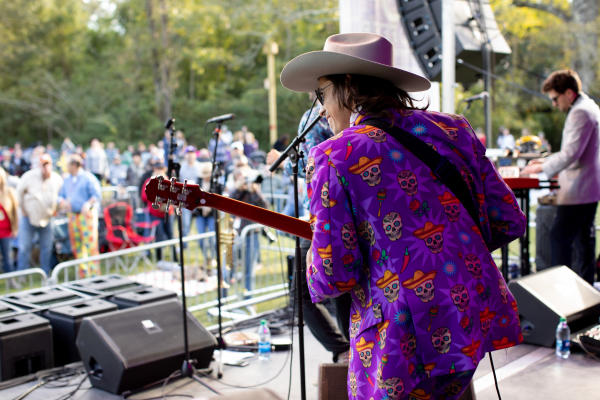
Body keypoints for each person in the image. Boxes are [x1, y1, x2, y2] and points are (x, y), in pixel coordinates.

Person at [279, 32, 526, 399]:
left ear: (348, 87)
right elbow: (508, 218)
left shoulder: (336, 154)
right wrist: (449, 255)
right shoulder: (454, 128)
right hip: (470, 313)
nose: (321, 109)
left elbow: (333, 275)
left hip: (401, 338)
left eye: (322, 94)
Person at [267, 95, 351, 363]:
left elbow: (310, 169)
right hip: (343, 215)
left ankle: (341, 349)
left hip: (316, 216)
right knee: (343, 291)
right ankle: (354, 352)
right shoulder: (356, 114)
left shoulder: (312, 118)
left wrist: (284, 165)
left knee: (301, 296)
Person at [521, 69, 600, 284]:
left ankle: (560, 295)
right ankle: (587, 295)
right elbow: (575, 151)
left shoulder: (580, 112)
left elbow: (571, 154)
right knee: (584, 242)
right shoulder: (588, 106)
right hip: (587, 189)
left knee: (559, 239)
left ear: (568, 93)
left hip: (579, 190)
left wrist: (538, 168)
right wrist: (543, 162)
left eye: (555, 99)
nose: (555, 104)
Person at [16, 154, 63, 274]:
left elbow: (61, 197)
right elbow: (19, 193)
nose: (46, 168)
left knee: (46, 248)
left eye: (48, 164)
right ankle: (22, 274)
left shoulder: (56, 179)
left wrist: (57, 208)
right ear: (39, 165)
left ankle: (45, 274)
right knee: (24, 247)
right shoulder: (29, 176)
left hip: (47, 218)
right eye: (43, 165)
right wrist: (23, 209)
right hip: (29, 217)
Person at [58, 154, 102, 278]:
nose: (66, 167)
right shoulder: (66, 180)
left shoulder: (88, 178)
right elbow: (60, 195)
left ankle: (94, 274)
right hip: (73, 215)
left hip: (86, 216)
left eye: (68, 165)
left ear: (74, 165)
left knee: (90, 244)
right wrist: (62, 201)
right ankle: (83, 273)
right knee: (77, 245)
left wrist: (88, 203)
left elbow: (97, 195)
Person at [0, 167, 18, 274]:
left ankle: (10, 279)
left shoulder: (9, 192)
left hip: (6, 231)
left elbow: (15, 212)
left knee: (8, 256)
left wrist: (15, 228)